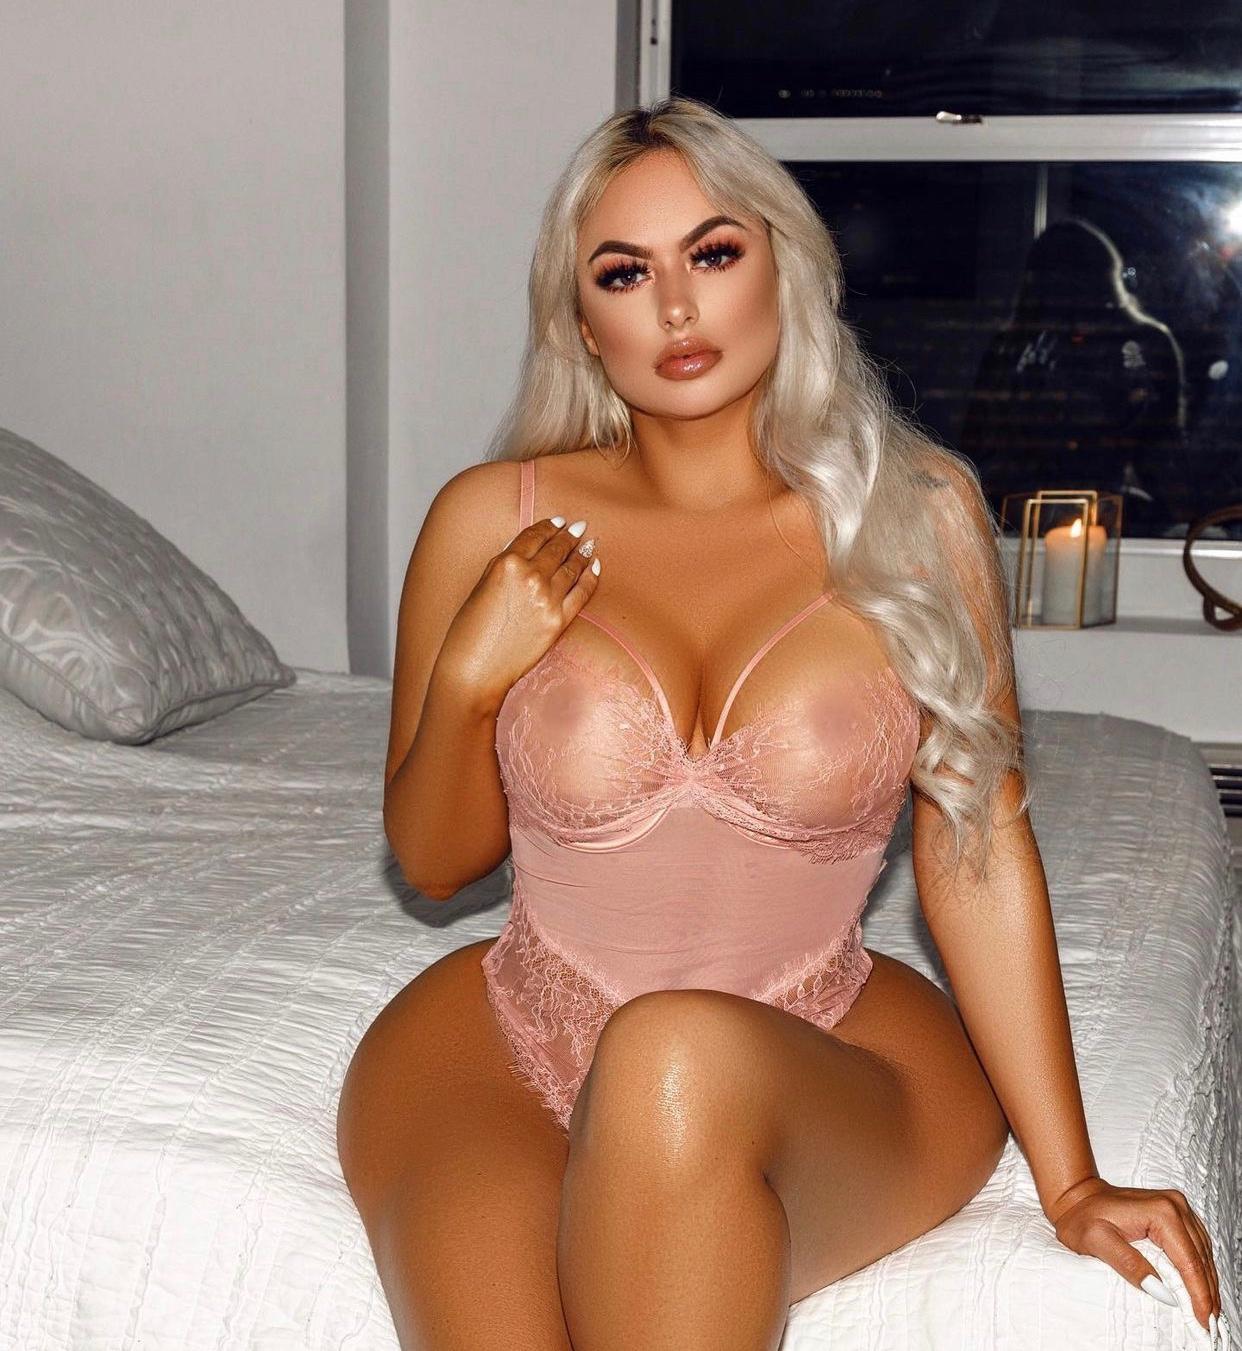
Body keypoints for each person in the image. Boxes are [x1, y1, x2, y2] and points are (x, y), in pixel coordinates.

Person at [336, 96, 1224, 1350]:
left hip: (818, 1051)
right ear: (582, 324)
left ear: (785, 266)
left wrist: (1071, 1179)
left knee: (670, 1055)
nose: (675, 307)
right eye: (624, 273)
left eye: (711, 253)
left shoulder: (921, 513)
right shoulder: (492, 519)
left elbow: (976, 845)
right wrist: (471, 680)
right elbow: (434, 863)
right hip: (505, 1047)